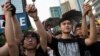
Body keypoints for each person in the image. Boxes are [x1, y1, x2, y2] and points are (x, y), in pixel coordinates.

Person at [27, 2, 96, 56]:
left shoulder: (78, 41)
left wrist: (91, 17)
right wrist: (35, 18)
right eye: (64, 24)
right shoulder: (56, 42)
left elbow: (92, 39)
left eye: (69, 23)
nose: (67, 25)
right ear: (60, 27)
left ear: (72, 26)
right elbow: (43, 34)